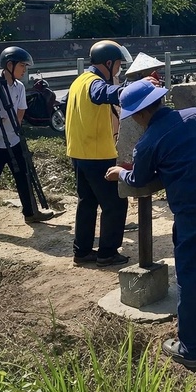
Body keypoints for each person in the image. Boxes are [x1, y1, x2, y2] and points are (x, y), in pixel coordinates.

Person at [105, 80, 196, 369]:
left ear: (138, 115)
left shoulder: (148, 142)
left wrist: (120, 174)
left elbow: (139, 179)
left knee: (188, 275)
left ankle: (189, 348)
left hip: (193, 211)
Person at [0, 47, 54, 238]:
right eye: (22, 65)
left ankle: (31, 213)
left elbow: (21, 109)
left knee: (24, 176)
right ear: (9, 65)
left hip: (13, 141)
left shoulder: (19, 87)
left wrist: (15, 124)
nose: (24, 69)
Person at [66, 40, 133, 267]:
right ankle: (107, 253)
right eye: (117, 65)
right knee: (115, 204)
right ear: (108, 62)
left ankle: (82, 252)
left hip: (78, 153)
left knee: (87, 203)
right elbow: (102, 94)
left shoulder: (78, 81)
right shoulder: (94, 83)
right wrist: (134, 90)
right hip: (98, 156)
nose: (118, 70)